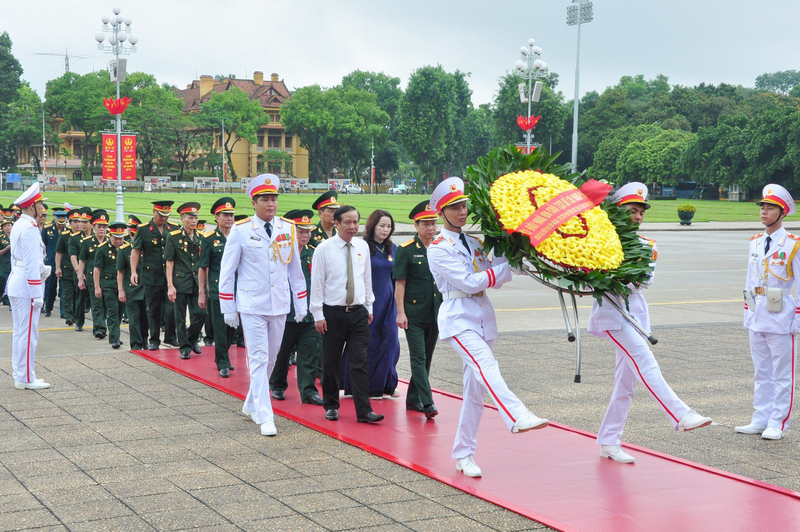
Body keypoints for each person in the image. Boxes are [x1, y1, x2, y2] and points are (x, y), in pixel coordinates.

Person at [427, 177, 547, 478]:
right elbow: (469, 281)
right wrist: (504, 270)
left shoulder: (476, 242)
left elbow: (497, 266)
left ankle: (463, 454)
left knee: (475, 392)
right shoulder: (438, 248)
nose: (462, 212)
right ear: (442, 213)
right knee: (486, 364)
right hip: (458, 317)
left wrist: (518, 249)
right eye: (454, 208)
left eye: (464, 206)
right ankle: (517, 414)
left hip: (482, 316)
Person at [588, 182, 712, 464]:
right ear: (618, 211)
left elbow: (642, 280)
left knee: (626, 384)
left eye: (641, 212)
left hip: (636, 317)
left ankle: (609, 439)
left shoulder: (647, 246)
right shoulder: (597, 241)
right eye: (633, 211)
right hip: (611, 315)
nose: (638, 217)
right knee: (646, 361)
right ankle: (680, 415)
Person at [219, 174, 307, 436]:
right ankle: (265, 416)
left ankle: (250, 403)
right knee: (257, 358)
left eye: (274, 199)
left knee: (270, 359)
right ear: (254, 202)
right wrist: (228, 306)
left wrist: (300, 302)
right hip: (252, 304)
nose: (271, 204)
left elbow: (295, 270)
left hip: (279, 303)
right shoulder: (242, 230)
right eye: (265, 199)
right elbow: (227, 271)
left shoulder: (287, 228)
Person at [310, 205, 384, 424]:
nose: (353, 227)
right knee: (331, 362)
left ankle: (364, 410)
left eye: (356, 222)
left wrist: (369, 307)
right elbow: (317, 284)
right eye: (347, 222)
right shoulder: (324, 249)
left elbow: (366, 280)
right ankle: (331, 404)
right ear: (337, 223)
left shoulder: (362, 247)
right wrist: (317, 314)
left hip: (359, 313)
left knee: (359, 361)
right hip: (333, 313)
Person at [737, 184, 800, 440]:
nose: (764, 211)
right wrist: (747, 313)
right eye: (762, 206)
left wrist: (797, 318)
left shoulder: (793, 243)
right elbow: (749, 281)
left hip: (782, 312)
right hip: (758, 313)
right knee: (761, 371)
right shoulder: (755, 242)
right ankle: (760, 417)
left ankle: (778, 421)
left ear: (782, 212)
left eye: (770, 207)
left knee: (782, 373)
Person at [342, 209, 400, 398]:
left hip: (388, 302)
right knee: (367, 343)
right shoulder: (362, 246)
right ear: (372, 226)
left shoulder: (393, 249)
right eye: (382, 225)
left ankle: (386, 384)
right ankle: (357, 385)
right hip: (367, 301)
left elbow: (397, 278)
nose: (385, 230)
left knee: (390, 342)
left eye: (389, 226)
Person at [270, 209, 323, 405]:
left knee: (309, 354)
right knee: (282, 353)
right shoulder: (279, 252)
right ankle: (277, 385)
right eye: (300, 231)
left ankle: (308, 391)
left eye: (307, 231)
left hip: (309, 315)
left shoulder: (315, 253)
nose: (305, 235)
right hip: (285, 313)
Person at [394, 201, 442, 418]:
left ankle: (413, 399)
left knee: (427, 358)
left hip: (434, 313)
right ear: (416, 225)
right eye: (426, 224)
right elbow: (400, 284)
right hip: (413, 314)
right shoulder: (406, 251)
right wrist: (400, 312)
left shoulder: (440, 248)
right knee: (418, 359)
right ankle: (428, 402)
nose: (430, 228)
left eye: (433, 223)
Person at [8, 183, 50, 390]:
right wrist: (37, 294)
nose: (42, 208)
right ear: (33, 205)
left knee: (20, 332)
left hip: (16, 281)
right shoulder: (31, 228)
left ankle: (20, 373)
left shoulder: (19, 224)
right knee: (28, 334)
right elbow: (32, 265)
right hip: (26, 286)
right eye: (40, 204)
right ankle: (25, 378)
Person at [131, 201, 180, 350]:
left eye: (167, 215)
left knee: (172, 308)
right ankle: (154, 339)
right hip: (151, 275)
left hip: (170, 276)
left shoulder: (174, 228)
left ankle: (171, 336)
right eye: (161, 215)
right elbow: (136, 251)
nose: (164, 218)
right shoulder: (144, 229)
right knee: (152, 309)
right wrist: (133, 271)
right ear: (154, 212)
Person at [198, 197, 237, 377]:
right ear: (217, 217)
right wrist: (202, 292)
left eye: (231, 215)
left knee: (232, 326)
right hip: (217, 289)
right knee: (220, 326)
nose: (229, 218)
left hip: (237, 289)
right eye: (225, 215)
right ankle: (222, 361)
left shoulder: (238, 235)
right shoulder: (209, 239)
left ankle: (225, 355)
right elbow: (203, 267)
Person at [164, 202, 205, 359]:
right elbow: (169, 261)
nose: (194, 221)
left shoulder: (201, 237)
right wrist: (170, 285)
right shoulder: (173, 237)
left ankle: (192, 338)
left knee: (202, 312)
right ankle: (185, 347)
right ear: (182, 219)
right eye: (190, 218)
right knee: (179, 317)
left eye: (196, 218)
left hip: (197, 282)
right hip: (180, 281)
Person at [78, 210, 110, 339]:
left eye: (104, 227)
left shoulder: (109, 241)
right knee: (96, 304)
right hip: (92, 278)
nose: (102, 229)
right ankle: (100, 328)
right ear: (94, 227)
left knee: (106, 305)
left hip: (107, 278)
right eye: (99, 227)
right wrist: (80, 277)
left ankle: (99, 326)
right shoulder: (87, 242)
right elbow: (82, 260)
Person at [94, 221, 126, 349]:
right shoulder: (102, 249)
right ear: (110, 236)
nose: (118, 241)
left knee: (120, 312)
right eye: (115, 238)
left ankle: (115, 333)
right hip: (108, 285)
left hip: (122, 286)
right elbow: (97, 269)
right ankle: (114, 338)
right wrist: (97, 287)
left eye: (121, 238)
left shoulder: (127, 248)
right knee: (112, 311)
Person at [117, 224, 148, 351]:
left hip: (146, 289)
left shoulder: (147, 249)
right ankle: (136, 344)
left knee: (145, 319)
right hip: (132, 289)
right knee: (134, 319)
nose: (135, 238)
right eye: (133, 235)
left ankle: (145, 341)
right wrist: (121, 290)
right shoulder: (124, 250)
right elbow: (120, 271)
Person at [55, 209, 81, 325]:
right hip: (67, 269)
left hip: (80, 270)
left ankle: (76, 314)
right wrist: (57, 267)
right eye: (74, 221)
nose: (77, 224)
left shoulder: (83, 236)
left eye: (79, 221)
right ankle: (69, 315)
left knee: (78, 294)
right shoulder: (65, 236)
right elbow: (59, 252)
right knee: (67, 293)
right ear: (70, 223)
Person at [69, 207, 93, 332]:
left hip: (94, 273)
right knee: (80, 299)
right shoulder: (75, 237)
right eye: (81, 222)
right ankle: (79, 321)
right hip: (81, 272)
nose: (82, 225)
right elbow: (73, 256)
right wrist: (79, 272)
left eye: (85, 222)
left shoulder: (97, 236)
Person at [42, 209, 67, 317]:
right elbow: (43, 244)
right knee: (50, 287)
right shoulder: (47, 228)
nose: (60, 224)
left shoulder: (68, 230)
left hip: (64, 262)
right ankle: (48, 308)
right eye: (59, 221)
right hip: (50, 261)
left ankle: (64, 312)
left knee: (64, 288)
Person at [196, 219, 214, 346]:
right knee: (204, 311)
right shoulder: (208, 240)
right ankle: (200, 335)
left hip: (210, 280)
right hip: (191, 278)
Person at [0, 218, 12, 307]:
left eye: (9, 225)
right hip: (6, 263)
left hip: (16, 262)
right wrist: (7, 248)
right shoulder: (2, 238)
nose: (7, 228)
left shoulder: (16, 235)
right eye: (5, 226)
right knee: (7, 281)